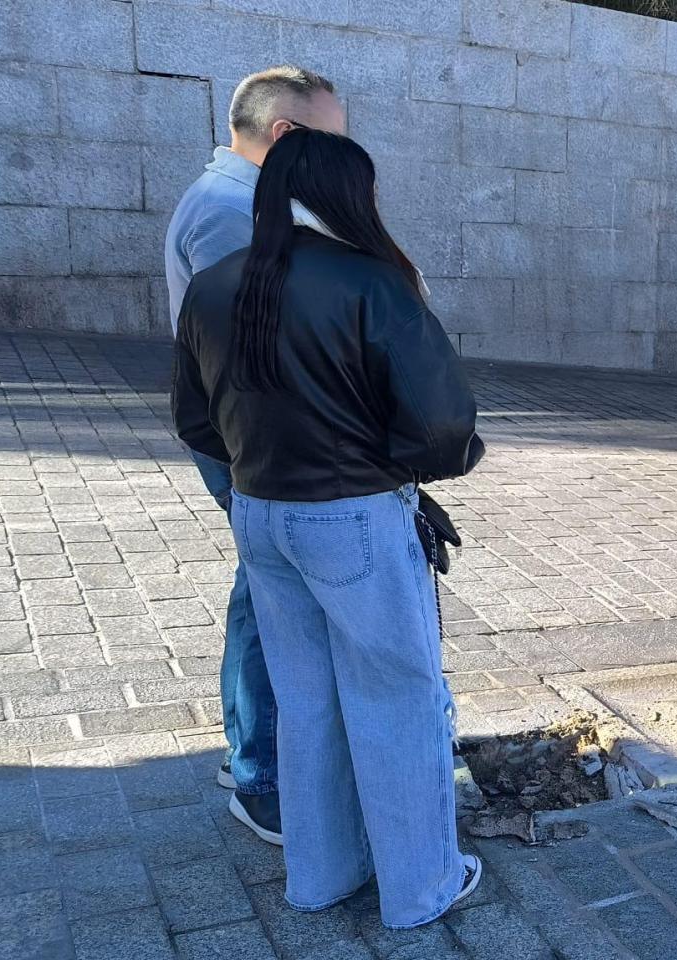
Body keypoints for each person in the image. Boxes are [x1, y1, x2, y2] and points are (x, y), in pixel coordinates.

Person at [172, 129, 485, 929]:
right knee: (399, 697)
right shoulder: (374, 283)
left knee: (305, 699)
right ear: (351, 195)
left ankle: (319, 877)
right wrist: (394, 469)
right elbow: (444, 425)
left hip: (261, 517)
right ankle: (421, 888)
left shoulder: (211, 285)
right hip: (352, 517)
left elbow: (195, 422)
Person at [162, 64, 347, 845]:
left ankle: (246, 749)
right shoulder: (231, 211)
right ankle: (259, 774)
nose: (342, 162)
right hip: (255, 441)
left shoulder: (240, 198)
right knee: (272, 591)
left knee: (261, 582)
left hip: (248, 436)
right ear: (286, 135)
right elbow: (263, 351)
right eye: (333, 144)